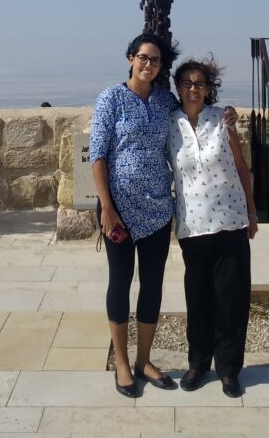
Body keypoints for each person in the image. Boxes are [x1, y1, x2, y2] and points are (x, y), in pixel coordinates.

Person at [90, 31, 179, 397]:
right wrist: (107, 209)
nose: (148, 64)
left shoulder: (165, 101)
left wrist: (227, 117)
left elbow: (192, 117)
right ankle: (122, 363)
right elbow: (98, 155)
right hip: (119, 210)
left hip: (157, 208)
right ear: (131, 58)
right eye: (143, 57)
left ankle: (144, 359)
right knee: (121, 281)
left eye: (155, 60)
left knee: (153, 283)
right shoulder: (111, 98)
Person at [167, 57, 258, 399]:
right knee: (199, 298)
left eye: (200, 84)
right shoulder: (169, 124)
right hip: (193, 225)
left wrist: (252, 211)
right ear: (178, 88)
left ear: (208, 89)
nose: (193, 89)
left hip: (231, 221)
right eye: (187, 83)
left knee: (231, 299)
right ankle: (198, 363)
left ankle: (229, 369)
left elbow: (241, 166)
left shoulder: (222, 119)